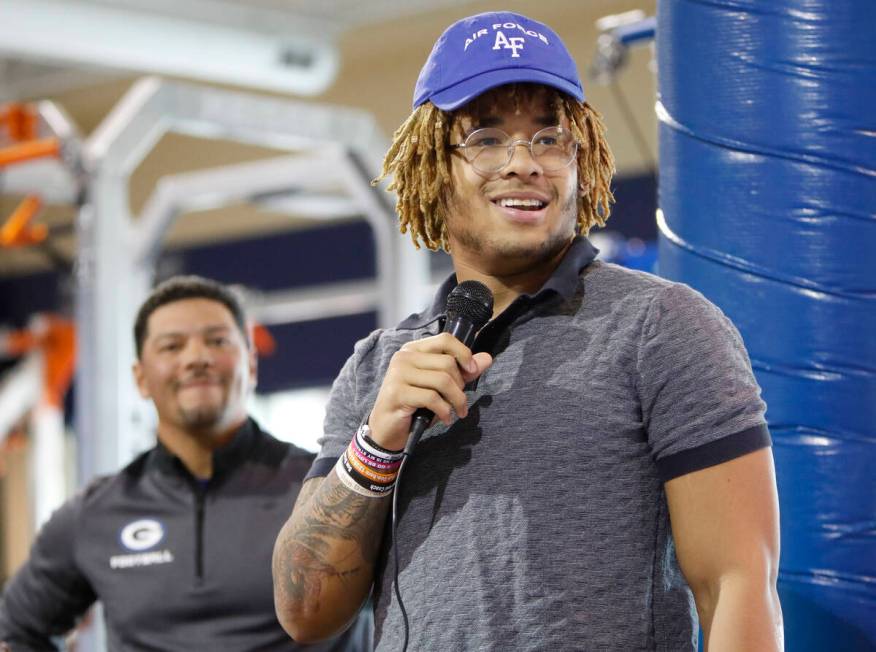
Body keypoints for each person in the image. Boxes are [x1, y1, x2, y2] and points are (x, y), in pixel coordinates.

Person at [272, 11, 783, 651]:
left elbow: (738, 584)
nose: (524, 163)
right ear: (434, 166)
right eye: (486, 138)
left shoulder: (662, 327)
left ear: (581, 156)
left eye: (549, 137)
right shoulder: (379, 367)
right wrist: (375, 446)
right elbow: (304, 611)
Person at [0, 276, 371, 651]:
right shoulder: (94, 513)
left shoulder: (326, 492)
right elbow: (15, 631)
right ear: (141, 378)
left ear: (251, 365)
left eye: (217, 341)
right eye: (172, 346)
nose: (196, 358)